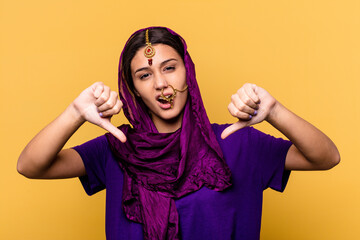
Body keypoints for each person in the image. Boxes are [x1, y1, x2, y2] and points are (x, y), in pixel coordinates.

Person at [17, 27, 340, 240]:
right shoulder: (116, 147)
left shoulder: (238, 142)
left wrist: (274, 112)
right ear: (134, 91)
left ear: (188, 71)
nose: (160, 83)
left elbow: (327, 157)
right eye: (144, 75)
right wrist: (75, 112)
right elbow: (30, 166)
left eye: (170, 68)